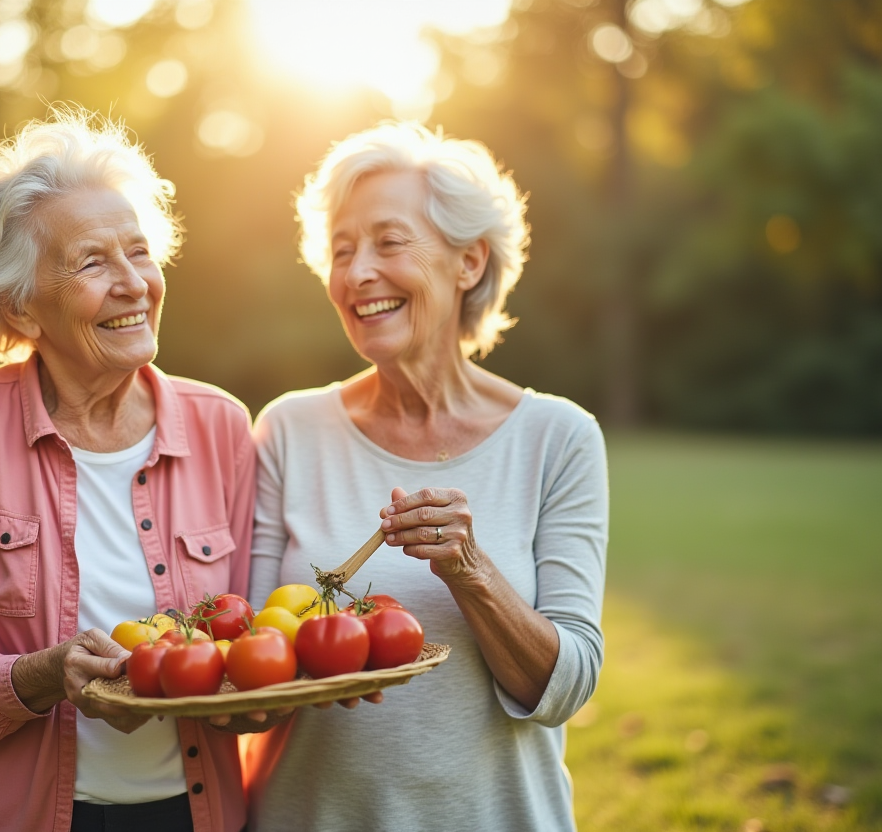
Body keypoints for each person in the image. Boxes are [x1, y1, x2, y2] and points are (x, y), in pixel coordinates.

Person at [0, 111, 254, 832]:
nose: (133, 284)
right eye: (93, 262)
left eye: (140, 252)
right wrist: (43, 674)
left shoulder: (222, 425)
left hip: (191, 812)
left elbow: (249, 648)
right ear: (23, 309)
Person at [245, 122, 609, 831]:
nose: (356, 274)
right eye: (341, 251)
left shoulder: (558, 437)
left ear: (468, 261)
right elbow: (252, 681)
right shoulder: (289, 428)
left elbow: (566, 688)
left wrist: (471, 571)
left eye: (388, 241)